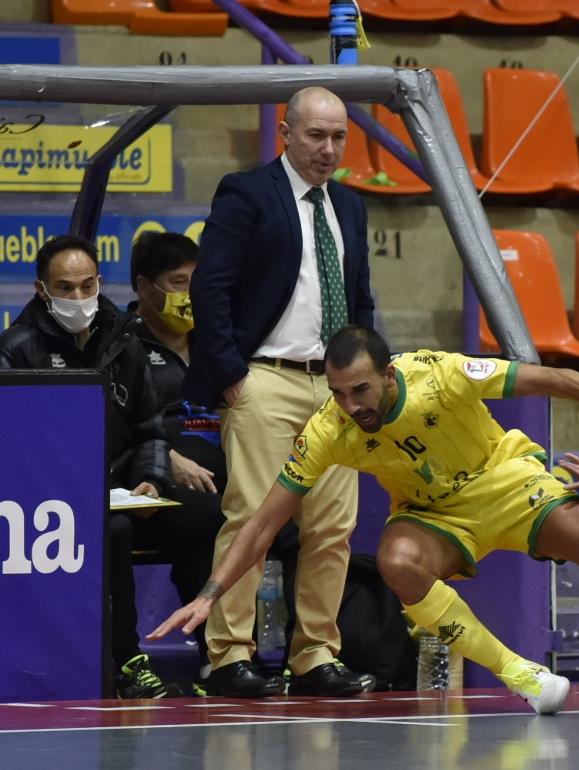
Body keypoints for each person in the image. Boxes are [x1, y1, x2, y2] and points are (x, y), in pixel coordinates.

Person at [152, 326, 579, 714]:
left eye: (360, 391)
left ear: (388, 375)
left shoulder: (439, 375)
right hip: (432, 515)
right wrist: (211, 594)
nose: (349, 406)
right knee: (397, 562)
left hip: (507, 482)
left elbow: (545, 375)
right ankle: (521, 676)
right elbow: (262, 522)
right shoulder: (331, 431)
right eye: (338, 394)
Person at [188, 86, 376, 698]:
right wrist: (231, 377)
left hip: (336, 387)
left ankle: (315, 654)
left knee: (331, 527)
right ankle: (227, 655)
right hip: (263, 377)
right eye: (316, 135)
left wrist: (370, 378)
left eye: (339, 137)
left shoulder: (349, 206)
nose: (328, 149)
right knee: (250, 517)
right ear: (286, 135)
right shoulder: (246, 193)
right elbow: (209, 289)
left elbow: (361, 301)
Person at [0, 234, 205, 698]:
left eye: (87, 286)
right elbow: (13, 443)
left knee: (205, 519)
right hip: (42, 504)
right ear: (41, 290)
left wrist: (150, 480)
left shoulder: (122, 339)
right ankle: (126, 660)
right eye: (65, 288)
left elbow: (150, 427)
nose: (78, 298)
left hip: (120, 491)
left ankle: (223, 659)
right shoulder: (16, 348)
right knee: (112, 532)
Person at [127, 231, 230, 685]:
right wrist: (165, 458)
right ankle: (217, 653)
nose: (187, 294)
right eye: (177, 282)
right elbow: (116, 425)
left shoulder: (216, 341)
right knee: (208, 516)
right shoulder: (122, 345)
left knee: (290, 522)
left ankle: (301, 655)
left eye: (194, 281)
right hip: (159, 478)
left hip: (226, 465)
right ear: (144, 287)